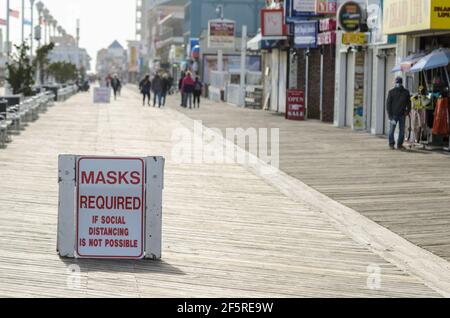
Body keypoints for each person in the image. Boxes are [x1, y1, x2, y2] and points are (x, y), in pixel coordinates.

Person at [386, 77, 412, 150]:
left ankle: (399, 145)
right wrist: (390, 116)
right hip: (393, 115)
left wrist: (408, 111)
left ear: (401, 83)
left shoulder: (406, 92)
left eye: (399, 83)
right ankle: (391, 144)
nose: (398, 84)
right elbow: (388, 104)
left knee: (402, 131)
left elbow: (409, 103)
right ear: (395, 83)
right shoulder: (391, 92)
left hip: (402, 115)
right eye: (397, 83)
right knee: (391, 130)